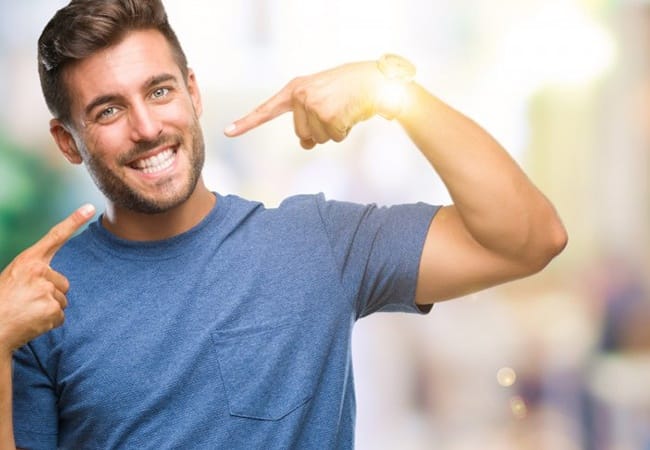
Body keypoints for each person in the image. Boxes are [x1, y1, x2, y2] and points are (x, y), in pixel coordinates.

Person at [0, 0, 567, 448]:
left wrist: (396, 96)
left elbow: (529, 239)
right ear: (66, 142)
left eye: (160, 90)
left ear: (193, 93)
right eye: (108, 110)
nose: (147, 126)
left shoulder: (316, 244)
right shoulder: (41, 303)